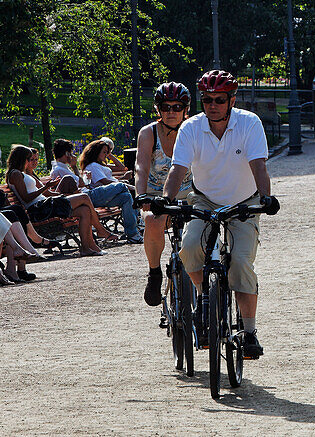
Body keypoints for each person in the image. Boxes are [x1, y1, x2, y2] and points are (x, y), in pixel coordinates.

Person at [164, 70, 271, 359]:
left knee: (240, 262)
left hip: (243, 202)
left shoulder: (249, 123)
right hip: (205, 199)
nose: (213, 105)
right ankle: (204, 297)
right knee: (189, 247)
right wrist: (166, 199)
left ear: (231, 100)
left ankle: (249, 333)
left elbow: (259, 165)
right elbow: (178, 169)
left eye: (219, 100)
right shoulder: (191, 128)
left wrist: (266, 198)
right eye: (207, 99)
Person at [136, 82, 195, 307]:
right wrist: (141, 195)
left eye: (177, 106)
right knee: (152, 220)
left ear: (185, 109)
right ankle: (154, 273)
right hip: (155, 195)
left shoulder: (193, 129)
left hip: (188, 195)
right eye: (166, 106)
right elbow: (141, 166)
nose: (171, 111)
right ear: (158, 109)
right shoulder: (149, 132)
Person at [7, 144, 111, 256]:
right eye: (28, 159)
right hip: (39, 209)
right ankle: (100, 229)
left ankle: (86, 247)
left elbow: (44, 192)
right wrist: (46, 187)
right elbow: (26, 198)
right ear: (21, 159)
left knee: (84, 210)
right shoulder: (15, 174)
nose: (29, 162)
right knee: (84, 197)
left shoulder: (23, 174)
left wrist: (52, 190)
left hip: (46, 205)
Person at [76, 140, 142, 243]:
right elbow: (105, 182)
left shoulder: (101, 165)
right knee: (122, 187)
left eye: (107, 152)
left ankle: (133, 234)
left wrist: (109, 154)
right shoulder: (93, 165)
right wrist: (126, 184)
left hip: (106, 195)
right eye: (104, 152)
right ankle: (140, 220)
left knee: (126, 197)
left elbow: (121, 167)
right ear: (96, 152)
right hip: (95, 195)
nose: (106, 154)